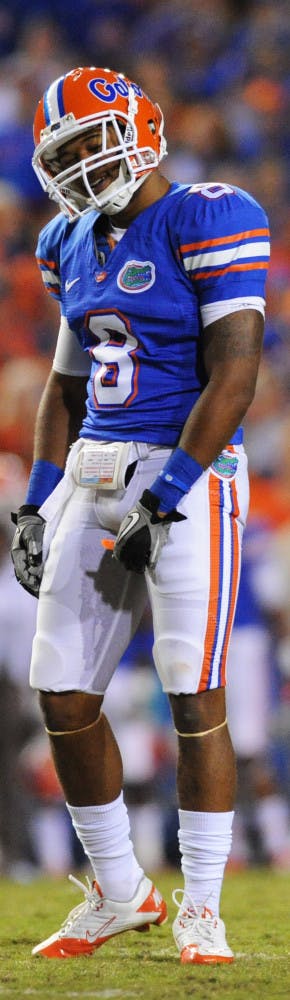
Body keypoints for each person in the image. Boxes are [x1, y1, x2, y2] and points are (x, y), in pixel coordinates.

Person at [11, 65, 269, 964]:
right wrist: (36, 505)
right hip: (92, 469)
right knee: (62, 692)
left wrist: (167, 496)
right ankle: (122, 892)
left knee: (194, 697)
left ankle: (202, 903)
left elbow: (235, 371)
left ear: (141, 124)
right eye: (67, 152)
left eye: (93, 140)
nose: (85, 162)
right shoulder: (65, 242)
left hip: (188, 470)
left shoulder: (210, 211)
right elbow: (66, 385)